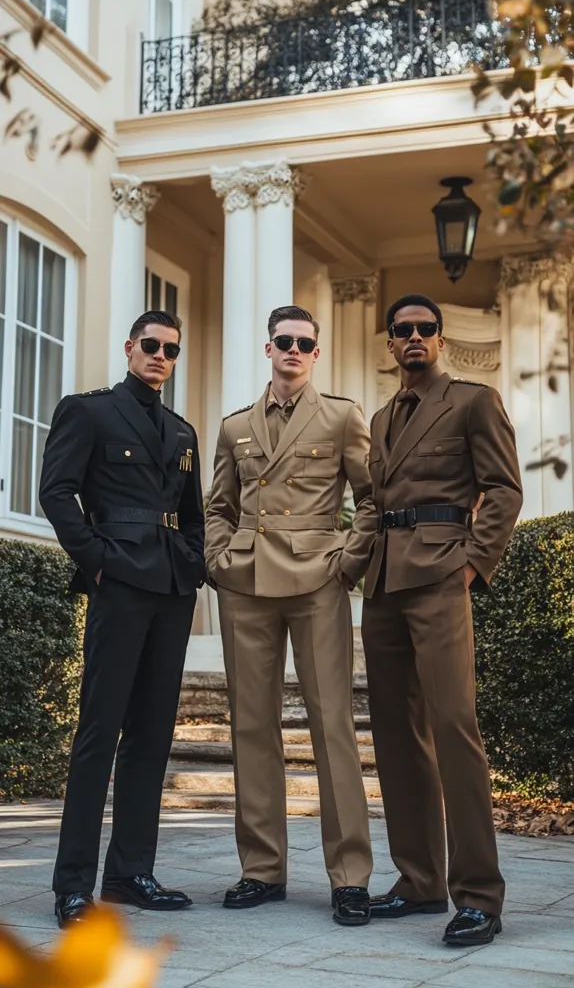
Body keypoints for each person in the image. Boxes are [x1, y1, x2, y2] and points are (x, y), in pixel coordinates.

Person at [355, 294, 523, 946]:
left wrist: (473, 565)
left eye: (426, 329)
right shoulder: (380, 417)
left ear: (441, 340)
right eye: (404, 330)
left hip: (440, 579)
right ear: (391, 343)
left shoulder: (474, 402)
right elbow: (377, 504)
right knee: (396, 736)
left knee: (454, 728)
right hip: (384, 585)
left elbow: (503, 488)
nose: (415, 337)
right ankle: (419, 880)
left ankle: (479, 895)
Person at [205, 306, 373, 926]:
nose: (294, 350)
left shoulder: (341, 416)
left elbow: (371, 498)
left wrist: (347, 562)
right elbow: (218, 505)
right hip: (246, 583)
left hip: (317, 580)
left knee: (333, 727)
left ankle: (350, 876)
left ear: (316, 353)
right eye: (284, 340)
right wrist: (218, 559)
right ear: (269, 348)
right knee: (252, 726)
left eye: (304, 342)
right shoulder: (235, 426)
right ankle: (261, 869)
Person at [39, 311, 205, 928]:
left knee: (152, 734)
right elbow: (56, 492)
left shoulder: (182, 431)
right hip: (120, 584)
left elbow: (193, 514)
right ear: (131, 347)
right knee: (99, 732)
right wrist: (98, 561)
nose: (161, 356)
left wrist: (192, 560)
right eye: (152, 345)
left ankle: (130, 873)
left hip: (172, 587)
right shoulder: (88, 412)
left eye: (171, 350)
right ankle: (73, 886)